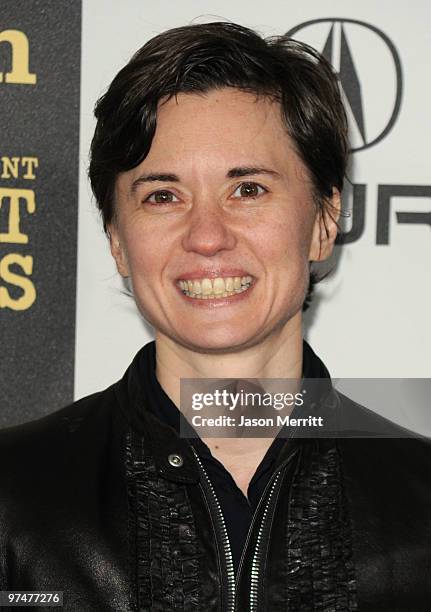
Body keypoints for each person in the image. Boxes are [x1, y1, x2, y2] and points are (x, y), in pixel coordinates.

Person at [0, 21, 430, 612]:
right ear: (118, 240)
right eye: (163, 195)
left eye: (248, 189)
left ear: (325, 221)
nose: (206, 237)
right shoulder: (13, 496)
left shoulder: (422, 504)